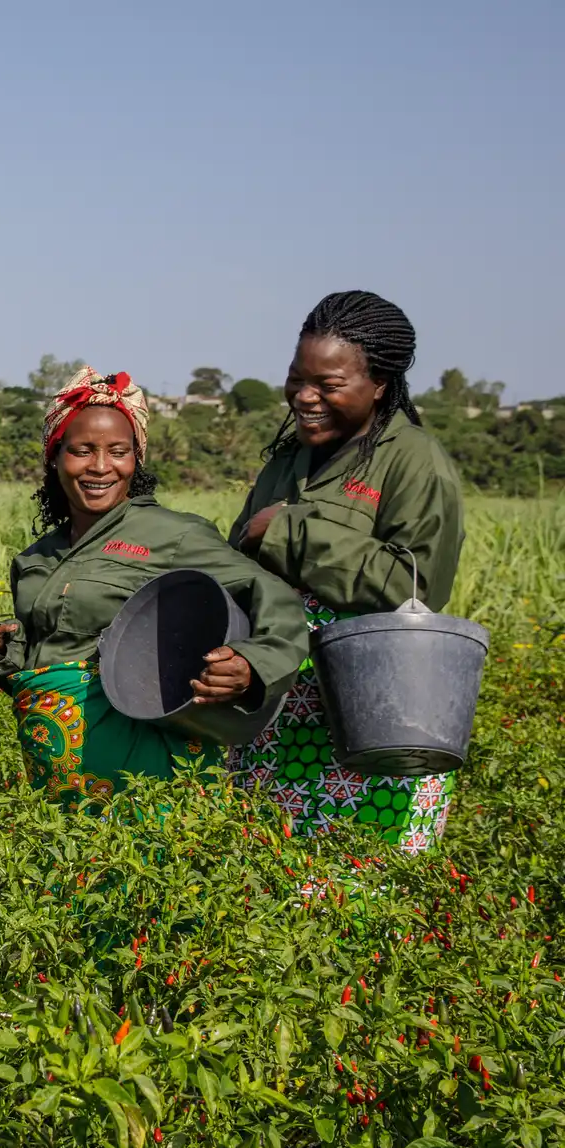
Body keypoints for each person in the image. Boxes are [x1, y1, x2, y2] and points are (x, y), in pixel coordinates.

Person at [0, 367, 308, 811]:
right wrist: (3, 651)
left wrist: (254, 663)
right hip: (52, 773)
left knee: (139, 872)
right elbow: (54, 657)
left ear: (136, 459)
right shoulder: (36, 558)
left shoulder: (172, 535)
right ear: (55, 456)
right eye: (83, 451)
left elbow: (275, 598)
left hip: (142, 763)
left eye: (119, 451)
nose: (101, 467)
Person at [228, 290, 466, 851]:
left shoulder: (413, 460)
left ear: (379, 383)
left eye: (329, 386)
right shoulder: (288, 461)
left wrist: (287, 531)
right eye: (296, 378)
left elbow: (415, 588)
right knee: (265, 912)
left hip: (370, 728)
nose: (305, 398)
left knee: (358, 909)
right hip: (277, 729)